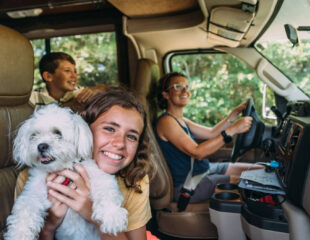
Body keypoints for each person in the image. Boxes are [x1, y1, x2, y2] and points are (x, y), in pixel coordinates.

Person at [15, 88, 155, 240]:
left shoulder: (135, 180)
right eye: (109, 129)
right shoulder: (30, 177)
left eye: (132, 136)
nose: (119, 143)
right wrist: (49, 225)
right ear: (88, 129)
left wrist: (91, 213)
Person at [155, 72, 263, 203]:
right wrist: (233, 129)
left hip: (203, 170)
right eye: (178, 86)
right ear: (165, 94)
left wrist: (232, 116)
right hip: (189, 185)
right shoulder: (166, 121)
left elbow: (212, 133)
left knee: (258, 170)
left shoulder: (181, 120)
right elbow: (197, 152)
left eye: (187, 86)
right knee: (249, 181)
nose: (185, 90)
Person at [30, 52, 107, 109]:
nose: (75, 76)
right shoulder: (33, 98)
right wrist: (72, 104)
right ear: (48, 76)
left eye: (75, 72)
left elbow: (106, 89)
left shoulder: (78, 93)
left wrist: (96, 89)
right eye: (67, 71)